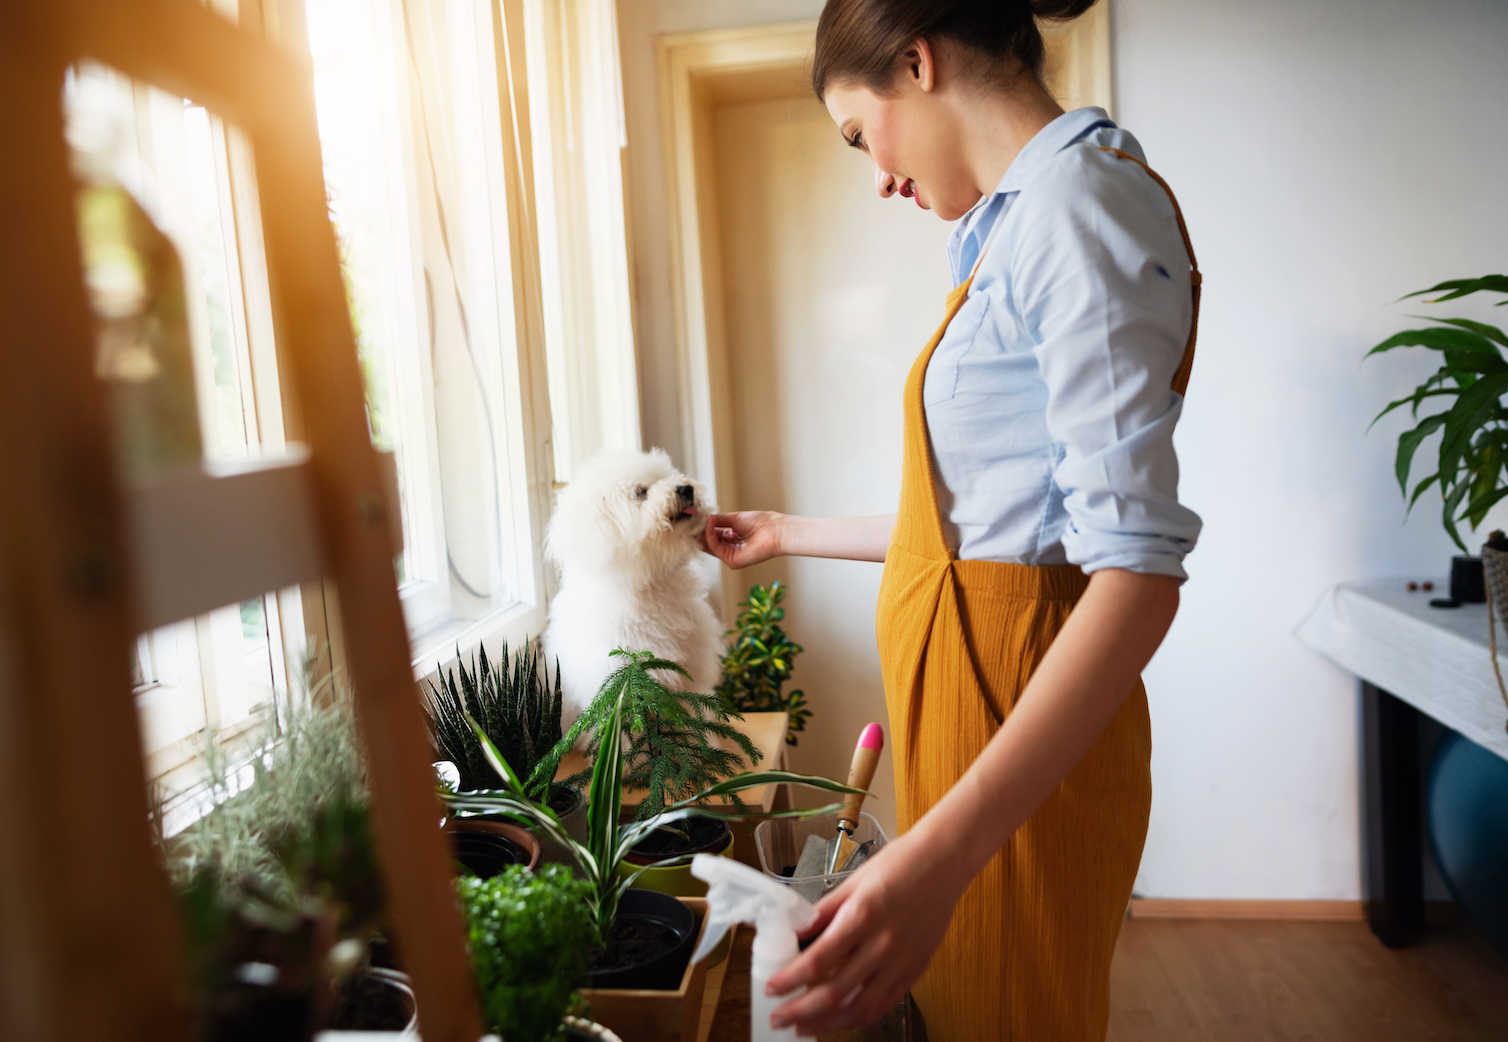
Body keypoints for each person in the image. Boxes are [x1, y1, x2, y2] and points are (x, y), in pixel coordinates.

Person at [698, 0, 1203, 1038]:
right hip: (967, 715)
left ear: (917, 63)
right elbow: (983, 525)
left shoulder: (1076, 206)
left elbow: (1135, 574)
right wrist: (787, 532)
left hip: (1007, 722)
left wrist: (935, 860)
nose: (876, 174)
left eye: (856, 133)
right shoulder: (1023, 226)